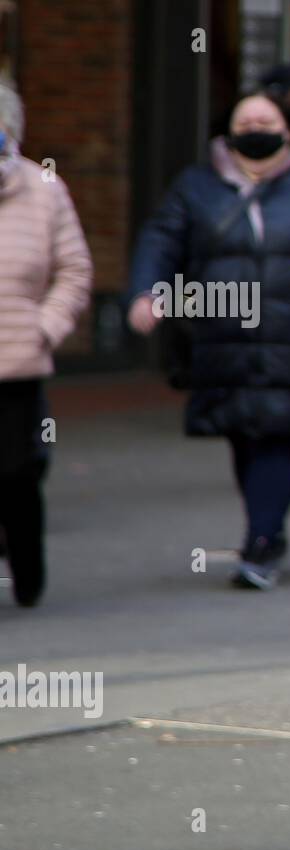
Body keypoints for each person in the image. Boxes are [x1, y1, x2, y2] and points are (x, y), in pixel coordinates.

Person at [127, 92, 290, 589]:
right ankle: (265, 533)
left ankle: (263, 540)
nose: (256, 127)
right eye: (246, 119)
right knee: (245, 435)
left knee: (274, 434)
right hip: (224, 335)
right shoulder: (197, 186)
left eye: (266, 119)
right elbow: (161, 239)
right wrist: (148, 292)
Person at [0, 82, 93, 607]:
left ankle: (27, 569)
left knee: (17, 474)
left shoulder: (43, 188)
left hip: (18, 361)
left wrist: (46, 326)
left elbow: (74, 269)